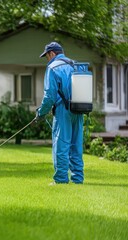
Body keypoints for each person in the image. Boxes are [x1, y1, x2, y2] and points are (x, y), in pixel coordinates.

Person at [36, 42, 84, 185]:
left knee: (61, 145)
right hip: (79, 109)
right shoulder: (75, 64)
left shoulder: (52, 67)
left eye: (46, 56)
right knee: (76, 145)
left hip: (63, 110)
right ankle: (78, 179)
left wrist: (41, 112)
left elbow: (49, 96)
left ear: (52, 53)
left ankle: (61, 180)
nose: (47, 59)